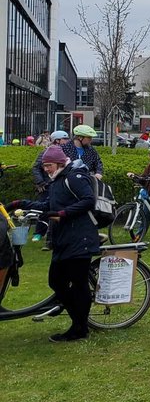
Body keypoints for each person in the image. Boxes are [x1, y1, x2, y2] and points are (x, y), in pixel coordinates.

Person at [7, 146, 101, 341]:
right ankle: (77, 319)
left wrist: (62, 214)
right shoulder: (57, 180)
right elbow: (47, 206)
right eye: (44, 167)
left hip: (80, 238)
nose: (46, 170)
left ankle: (80, 328)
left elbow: (88, 200)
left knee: (79, 284)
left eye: (48, 166)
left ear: (59, 163)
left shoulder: (73, 177)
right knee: (56, 281)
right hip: (65, 239)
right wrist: (20, 203)